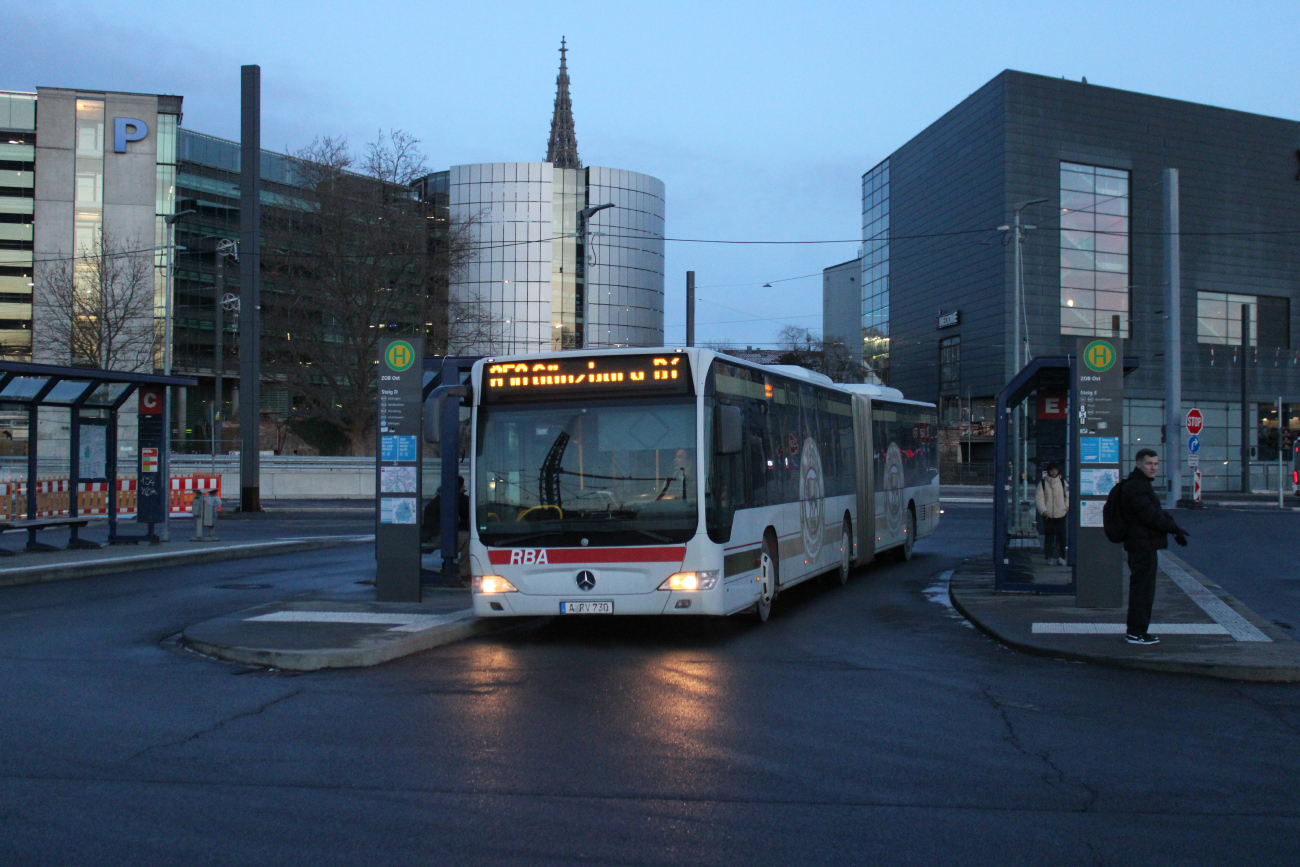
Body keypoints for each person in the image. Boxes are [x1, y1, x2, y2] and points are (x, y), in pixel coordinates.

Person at [1118, 448, 1189, 645]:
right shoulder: (1137, 486)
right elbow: (1150, 515)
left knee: (1143, 590)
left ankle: (1138, 631)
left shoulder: (1140, 485)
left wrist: (1173, 527)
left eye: (1156, 464)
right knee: (1143, 591)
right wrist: (1173, 528)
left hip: (1143, 544)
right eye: (1149, 463)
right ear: (1138, 464)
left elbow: (1154, 512)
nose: (1153, 467)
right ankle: (1135, 632)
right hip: (1141, 545)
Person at [1035, 462, 1068, 565]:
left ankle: (1061, 557)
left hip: (1060, 514)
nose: (1054, 472)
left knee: (1061, 537)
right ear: (1048, 471)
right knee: (1049, 537)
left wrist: (1065, 507)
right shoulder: (1043, 483)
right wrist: (1043, 511)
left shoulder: (1063, 483)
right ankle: (1049, 557)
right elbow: (1039, 499)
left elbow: (1068, 496)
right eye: (1052, 470)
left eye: (1056, 470)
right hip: (1047, 515)